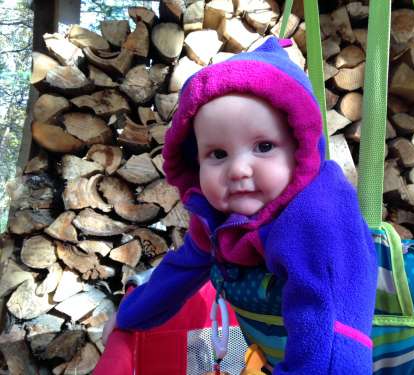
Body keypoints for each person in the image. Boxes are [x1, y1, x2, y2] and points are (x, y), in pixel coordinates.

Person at [113, 36, 378, 374]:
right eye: (218, 154)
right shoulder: (219, 218)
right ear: (195, 162)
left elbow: (332, 330)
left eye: (264, 146)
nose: (238, 169)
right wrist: (128, 316)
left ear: (298, 148)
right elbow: (181, 269)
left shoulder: (316, 213)